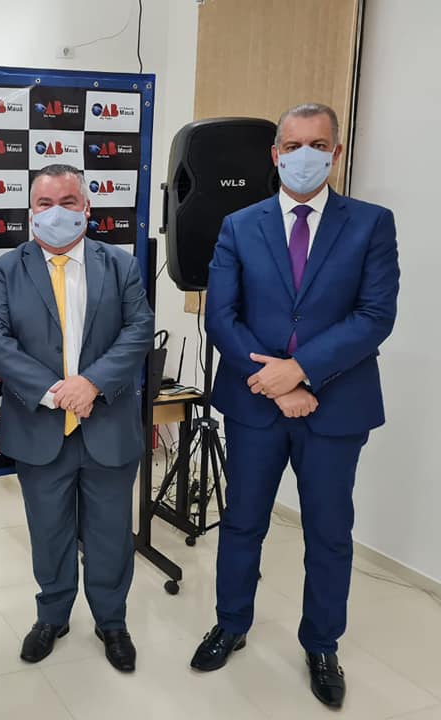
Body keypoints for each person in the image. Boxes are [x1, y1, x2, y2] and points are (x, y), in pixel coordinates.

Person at [190, 103, 400, 709]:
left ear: (336, 152)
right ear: (275, 154)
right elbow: (221, 316)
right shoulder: (239, 225)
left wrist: (301, 370)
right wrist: (276, 382)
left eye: (318, 144)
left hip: (337, 407)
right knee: (243, 522)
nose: (305, 155)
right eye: (293, 145)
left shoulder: (371, 224)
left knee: (329, 533)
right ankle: (231, 623)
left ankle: (322, 644)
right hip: (255, 404)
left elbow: (375, 315)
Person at [0, 163, 154, 672]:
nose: (56, 213)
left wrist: (91, 383)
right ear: (31, 211)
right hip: (40, 427)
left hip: (108, 427)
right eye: (45, 204)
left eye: (68, 202)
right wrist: (55, 393)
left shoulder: (120, 264)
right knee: (48, 532)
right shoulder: (7, 269)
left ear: (87, 208)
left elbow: (139, 330)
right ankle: (51, 616)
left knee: (110, 535)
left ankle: (112, 622)